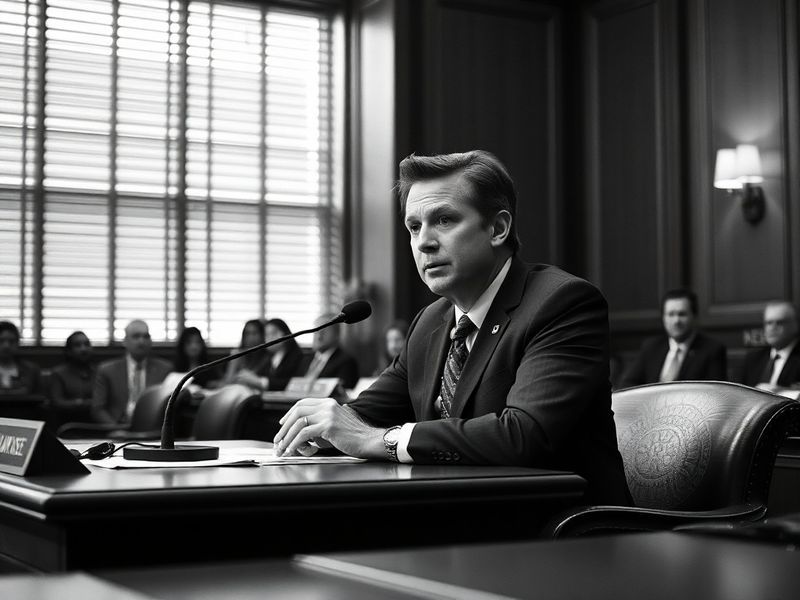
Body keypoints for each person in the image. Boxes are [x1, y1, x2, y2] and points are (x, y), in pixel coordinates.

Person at [274, 150, 631, 505]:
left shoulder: (562, 302)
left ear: (498, 228)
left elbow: (524, 435)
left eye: (443, 220)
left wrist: (378, 440)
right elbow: (366, 414)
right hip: (458, 516)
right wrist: (324, 424)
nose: (423, 242)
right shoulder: (431, 321)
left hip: (561, 531)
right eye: (414, 226)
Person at [617, 289, 727, 389]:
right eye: (671, 314)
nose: (676, 321)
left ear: (694, 316)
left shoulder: (712, 350)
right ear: (664, 318)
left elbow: (715, 392)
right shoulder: (651, 347)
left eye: (682, 314)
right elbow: (628, 384)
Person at [90, 319, 172, 424]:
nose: (141, 341)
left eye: (146, 337)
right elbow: (98, 409)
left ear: (151, 341)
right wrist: (115, 429)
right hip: (116, 429)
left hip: (152, 430)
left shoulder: (165, 369)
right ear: (125, 341)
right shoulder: (107, 370)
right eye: (136, 336)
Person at [738, 301, 800, 390]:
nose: (772, 328)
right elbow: (739, 393)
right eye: (768, 323)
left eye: (779, 322)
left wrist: (782, 392)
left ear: (795, 325)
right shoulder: (753, 358)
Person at [231, 318, 305, 391]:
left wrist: (259, 381)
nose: (268, 338)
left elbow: (292, 383)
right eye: (266, 335)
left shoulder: (296, 357)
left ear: (284, 334)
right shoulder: (269, 358)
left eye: (272, 333)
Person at [300, 313, 360, 390]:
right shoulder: (305, 359)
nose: (319, 336)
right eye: (316, 331)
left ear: (337, 335)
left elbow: (343, 392)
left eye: (324, 331)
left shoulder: (346, 361)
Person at [48, 331, 96, 424]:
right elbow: (57, 403)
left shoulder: (100, 372)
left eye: (87, 344)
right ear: (68, 351)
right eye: (78, 345)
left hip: (96, 424)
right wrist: (83, 403)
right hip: (67, 425)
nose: (83, 349)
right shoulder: (58, 373)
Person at [222, 319, 271, 385]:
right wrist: (234, 361)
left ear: (262, 335)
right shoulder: (238, 354)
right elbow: (227, 382)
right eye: (247, 333)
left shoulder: (268, 355)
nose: (251, 337)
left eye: (255, 333)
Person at [0, 320, 43, 395]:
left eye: (11, 341)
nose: (6, 346)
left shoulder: (31, 369)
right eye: (1, 341)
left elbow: (39, 397)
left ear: (18, 343)